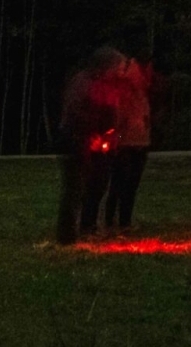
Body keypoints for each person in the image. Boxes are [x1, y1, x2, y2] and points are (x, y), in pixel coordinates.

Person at [56, 47, 125, 244]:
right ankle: (67, 237)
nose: (121, 71)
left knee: (98, 185)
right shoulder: (83, 83)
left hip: (99, 143)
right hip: (76, 141)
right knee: (75, 188)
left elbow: (110, 114)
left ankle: (89, 226)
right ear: (107, 66)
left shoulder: (108, 85)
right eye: (118, 67)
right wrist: (91, 134)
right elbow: (75, 113)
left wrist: (110, 134)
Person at [104, 56, 153, 233]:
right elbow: (120, 117)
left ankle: (123, 220)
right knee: (120, 184)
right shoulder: (126, 91)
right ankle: (113, 221)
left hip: (138, 142)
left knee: (130, 185)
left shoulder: (141, 93)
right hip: (126, 144)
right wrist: (118, 137)